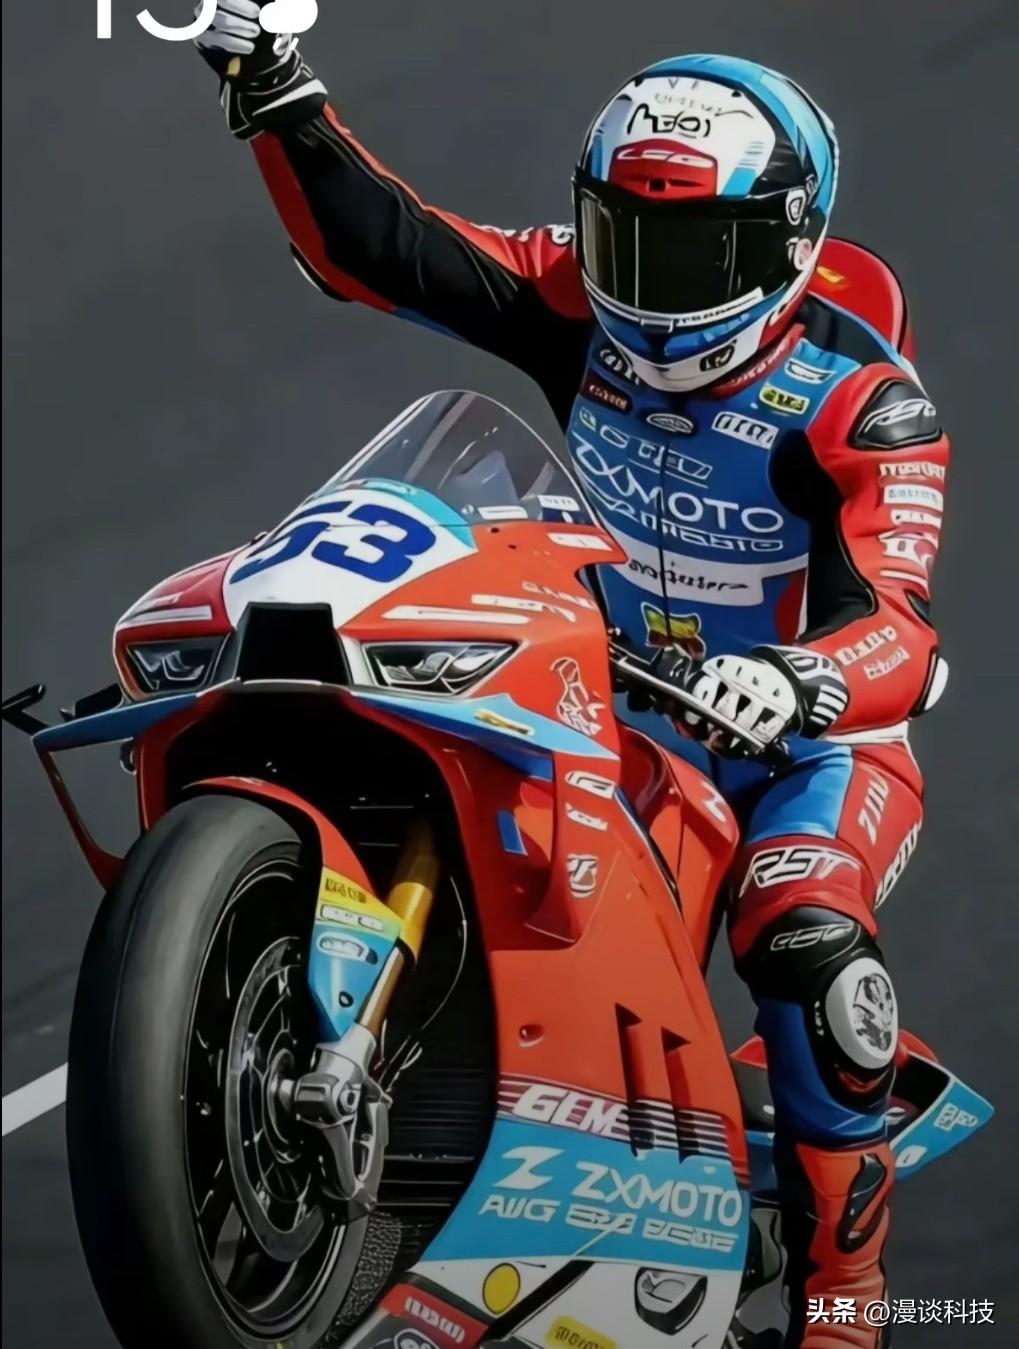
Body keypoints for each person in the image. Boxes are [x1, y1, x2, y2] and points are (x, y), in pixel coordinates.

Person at [195, 7, 951, 1345]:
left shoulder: (865, 404)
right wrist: (273, 84)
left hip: (808, 750)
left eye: (693, 250)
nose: (649, 285)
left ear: (785, 246)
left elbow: (903, 629)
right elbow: (387, 247)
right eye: (622, 237)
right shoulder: (571, 300)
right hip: (623, 710)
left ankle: (847, 1299)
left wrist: (797, 682)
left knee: (805, 930)